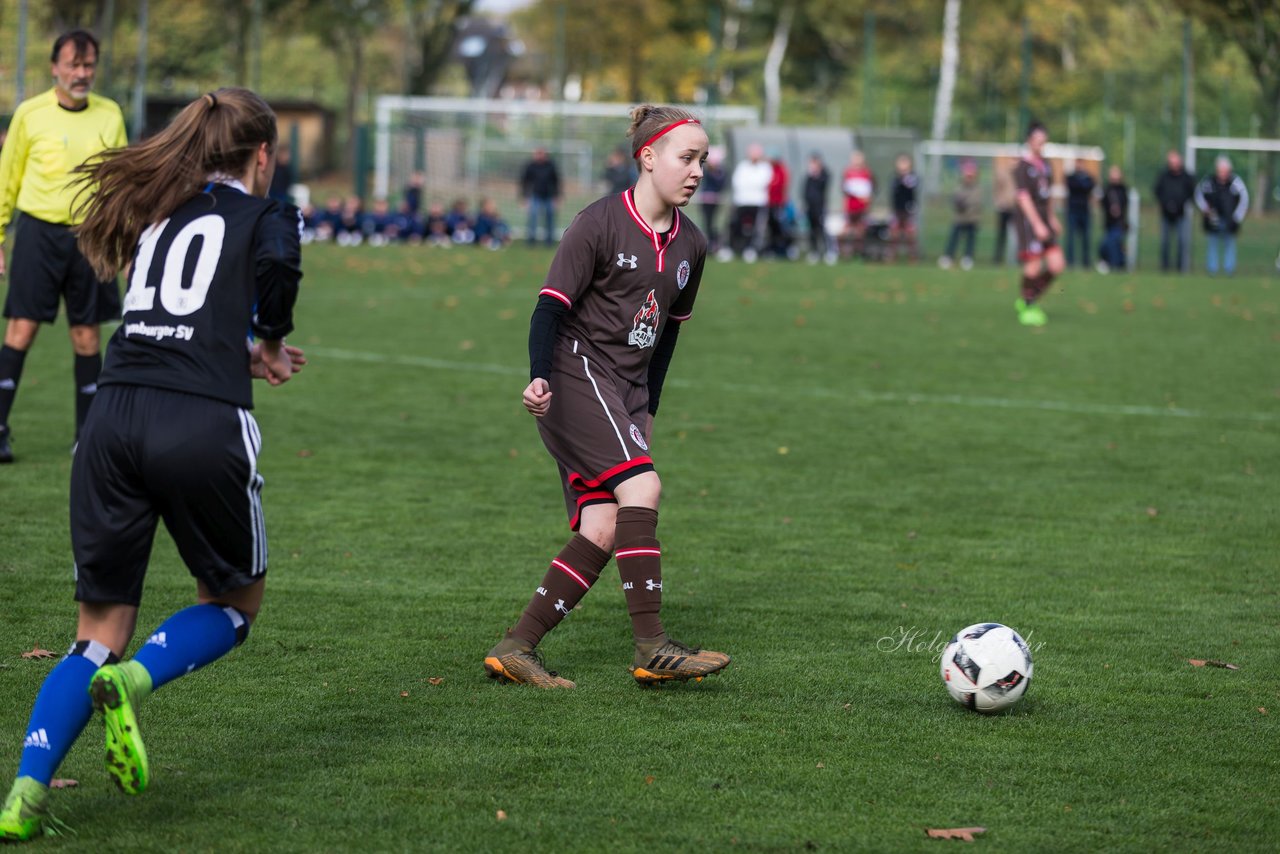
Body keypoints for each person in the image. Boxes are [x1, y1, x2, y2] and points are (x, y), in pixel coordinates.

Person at [0, 87, 305, 843]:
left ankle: (23, 796)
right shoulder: (268, 212)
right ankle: (132, 682)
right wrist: (267, 341)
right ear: (261, 155)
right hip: (199, 420)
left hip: (112, 419)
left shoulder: (158, 208)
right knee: (235, 603)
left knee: (95, 630)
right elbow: (278, 272)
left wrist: (241, 350)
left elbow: (166, 317)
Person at [484, 104, 729, 689]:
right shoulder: (597, 223)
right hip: (574, 374)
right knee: (643, 486)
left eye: (703, 160)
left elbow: (667, 334)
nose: (697, 171)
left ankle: (516, 647)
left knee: (602, 525)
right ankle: (653, 647)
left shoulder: (692, 246)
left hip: (624, 392)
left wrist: (647, 409)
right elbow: (550, 308)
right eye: (686, 157)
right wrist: (539, 376)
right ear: (647, 158)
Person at [0, 30, 128, 463]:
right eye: (73, 65)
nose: (81, 73)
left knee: (86, 334)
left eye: (88, 65)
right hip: (37, 232)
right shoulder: (29, 114)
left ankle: (86, 437)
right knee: (21, 329)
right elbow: (7, 178)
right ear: (54, 67)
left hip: (89, 237)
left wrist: (123, 242)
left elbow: (119, 186)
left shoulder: (110, 114)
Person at [1012, 121, 1064, 327]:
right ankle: (1028, 305)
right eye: (1037, 141)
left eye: (1043, 141)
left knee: (1057, 265)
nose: (1040, 145)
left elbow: (1047, 196)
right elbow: (1023, 198)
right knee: (1033, 268)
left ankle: (1028, 298)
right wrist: (1037, 224)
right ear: (1029, 141)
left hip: (1044, 219)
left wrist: (1051, 218)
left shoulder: (1046, 165)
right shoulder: (1022, 168)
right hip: (1029, 221)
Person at [1194, 155, 1248, 277]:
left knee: (1230, 244)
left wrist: (1237, 217)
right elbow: (1198, 195)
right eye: (1220, 170)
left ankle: (1229, 269)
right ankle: (1212, 270)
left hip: (1230, 219)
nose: (1222, 173)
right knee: (1212, 243)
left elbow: (1244, 199)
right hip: (1213, 218)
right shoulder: (1209, 182)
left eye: (1225, 170)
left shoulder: (1235, 183)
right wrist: (1205, 209)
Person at [1153, 150, 1196, 273]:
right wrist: (1166, 204)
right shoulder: (1163, 176)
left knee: (1182, 241)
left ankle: (1180, 268)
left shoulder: (1186, 177)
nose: (1174, 164)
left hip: (1181, 214)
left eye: (1176, 162)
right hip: (1166, 214)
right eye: (1171, 162)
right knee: (1165, 242)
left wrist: (1180, 203)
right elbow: (1157, 191)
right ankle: (1165, 267)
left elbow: (1190, 192)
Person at [730, 143, 771, 262]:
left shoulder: (765, 167)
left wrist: (751, 185)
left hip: (758, 203)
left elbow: (762, 183)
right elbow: (738, 182)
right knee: (737, 225)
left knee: (755, 228)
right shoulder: (742, 166)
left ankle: (751, 249)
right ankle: (734, 248)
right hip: (742, 202)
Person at [938, 159, 981, 270]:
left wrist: (967, 205)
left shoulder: (977, 189)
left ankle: (968, 258)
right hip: (959, 219)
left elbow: (976, 203)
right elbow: (956, 201)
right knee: (954, 239)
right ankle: (948, 257)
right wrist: (959, 204)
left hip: (972, 219)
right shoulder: (959, 188)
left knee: (970, 241)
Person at [520, 147, 560, 245]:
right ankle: (531, 239)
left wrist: (556, 196)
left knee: (550, 216)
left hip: (548, 195)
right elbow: (525, 181)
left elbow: (556, 181)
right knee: (533, 216)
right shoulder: (531, 166)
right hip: (535, 195)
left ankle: (549, 239)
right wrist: (525, 197)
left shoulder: (551, 165)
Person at [841, 151, 874, 258]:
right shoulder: (847, 173)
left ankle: (860, 252)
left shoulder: (867, 173)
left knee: (861, 230)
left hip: (862, 208)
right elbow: (845, 191)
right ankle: (846, 252)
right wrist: (844, 205)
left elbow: (869, 192)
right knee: (847, 230)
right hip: (851, 207)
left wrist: (868, 204)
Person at [887, 153, 920, 262]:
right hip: (897, 210)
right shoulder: (895, 178)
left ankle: (913, 257)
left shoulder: (912, 177)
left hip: (909, 210)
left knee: (910, 234)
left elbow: (911, 186)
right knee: (894, 234)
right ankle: (892, 256)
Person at [1097, 165, 1128, 273]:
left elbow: (1124, 203)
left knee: (1115, 243)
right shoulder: (1107, 189)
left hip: (1119, 223)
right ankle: (1112, 263)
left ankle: (1116, 264)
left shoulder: (1123, 189)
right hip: (1109, 222)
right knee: (1108, 243)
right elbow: (1102, 203)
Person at [802, 152, 832, 263]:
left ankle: (829, 251)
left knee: (822, 229)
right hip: (810, 207)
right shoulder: (808, 176)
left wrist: (816, 174)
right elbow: (805, 191)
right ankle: (814, 251)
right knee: (812, 230)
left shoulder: (824, 175)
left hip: (820, 207)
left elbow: (823, 186)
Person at [1064, 164, 1095, 269]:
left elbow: (1090, 186)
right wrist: (1082, 185)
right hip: (1073, 210)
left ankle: (1086, 262)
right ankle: (1070, 261)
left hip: (1084, 211)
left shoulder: (1088, 178)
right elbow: (1073, 186)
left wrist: (1082, 184)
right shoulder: (1071, 178)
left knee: (1086, 237)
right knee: (1070, 237)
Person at [699, 148, 726, 255]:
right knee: (707, 222)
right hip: (705, 200)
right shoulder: (705, 171)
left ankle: (714, 244)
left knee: (714, 223)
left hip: (715, 200)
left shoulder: (720, 172)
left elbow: (720, 184)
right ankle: (708, 243)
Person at [991, 157, 1016, 264]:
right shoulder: (1003, 174)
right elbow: (997, 189)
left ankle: (1015, 259)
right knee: (1001, 235)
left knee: (1016, 236)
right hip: (1004, 208)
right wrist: (999, 202)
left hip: (1015, 209)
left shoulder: (1020, 175)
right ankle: (998, 258)